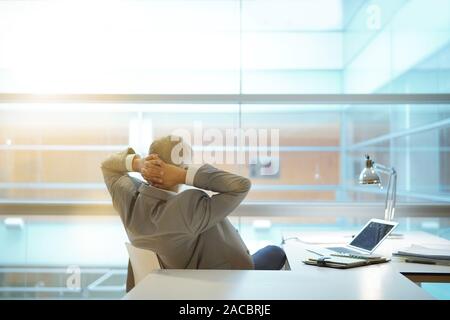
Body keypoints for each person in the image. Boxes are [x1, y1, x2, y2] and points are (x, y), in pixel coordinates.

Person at [101, 135, 286, 291]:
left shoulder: (129, 198)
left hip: (173, 284)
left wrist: (139, 163)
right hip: (225, 281)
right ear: (177, 167)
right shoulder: (189, 207)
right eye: (187, 166)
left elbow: (107, 165)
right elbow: (241, 186)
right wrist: (183, 175)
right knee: (276, 252)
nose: (189, 168)